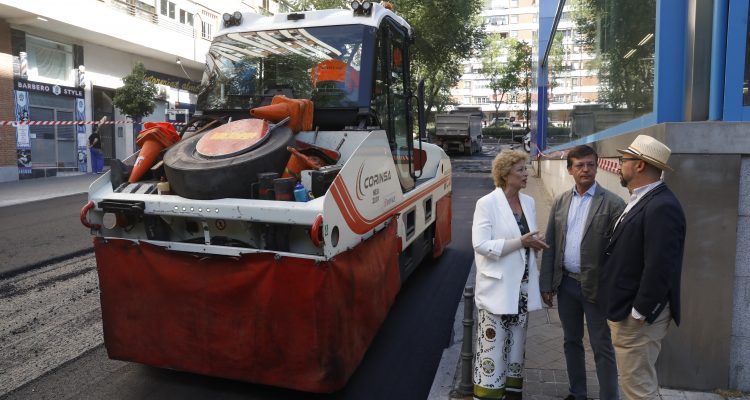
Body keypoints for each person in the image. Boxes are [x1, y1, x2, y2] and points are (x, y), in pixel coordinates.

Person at [599, 135, 686, 400]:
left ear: (639, 166)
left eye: (624, 160)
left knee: (638, 389)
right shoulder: (642, 198)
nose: (620, 165)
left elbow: (660, 266)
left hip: (637, 316)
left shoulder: (662, 206)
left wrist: (638, 312)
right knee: (636, 383)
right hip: (627, 309)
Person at [539, 145, 625, 400]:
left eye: (590, 164)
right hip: (566, 285)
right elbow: (550, 244)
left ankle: (609, 396)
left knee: (602, 346)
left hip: (597, 288)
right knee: (571, 341)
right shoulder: (561, 201)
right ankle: (578, 393)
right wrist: (547, 284)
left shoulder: (613, 204)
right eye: (580, 165)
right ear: (570, 170)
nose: (586, 169)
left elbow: (619, 255)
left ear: (597, 167)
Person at [472, 149, 549, 400]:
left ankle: (513, 395)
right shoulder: (486, 204)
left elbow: (527, 239)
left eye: (526, 169)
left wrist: (535, 242)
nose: (527, 174)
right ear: (506, 175)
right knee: (492, 351)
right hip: (497, 291)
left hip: (522, 291)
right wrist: (520, 242)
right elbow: (481, 245)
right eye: (521, 170)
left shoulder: (528, 202)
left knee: (516, 351)